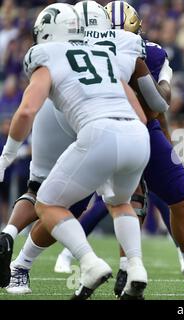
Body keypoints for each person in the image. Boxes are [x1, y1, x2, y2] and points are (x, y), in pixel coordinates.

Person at [0, 3, 155, 299]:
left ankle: (89, 262)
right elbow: (143, 116)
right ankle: (135, 267)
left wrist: (6, 156)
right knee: (120, 202)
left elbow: (25, 112)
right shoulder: (103, 52)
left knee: (46, 203)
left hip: (99, 133)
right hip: (137, 136)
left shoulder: (47, 54)